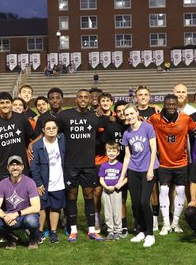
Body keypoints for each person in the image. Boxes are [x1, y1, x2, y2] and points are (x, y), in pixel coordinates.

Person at [149, 94, 196, 234]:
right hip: (164, 163)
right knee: (164, 190)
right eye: (168, 104)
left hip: (181, 163)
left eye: (173, 104)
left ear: (177, 105)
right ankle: (165, 223)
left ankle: (176, 223)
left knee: (181, 191)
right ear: (164, 104)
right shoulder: (155, 118)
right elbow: (144, 123)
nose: (171, 107)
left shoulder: (185, 118)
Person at [58, 88, 102, 241]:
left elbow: (112, 120)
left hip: (88, 164)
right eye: (80, 97)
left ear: (90, 100)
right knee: (72, 196)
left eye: (86, 97)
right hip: (71, 164)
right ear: (76, 99)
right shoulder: (65, 115)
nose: (83, 99)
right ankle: (73, 230)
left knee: (89, 195)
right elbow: (50, 126)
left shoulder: (95, 116)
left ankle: (91, 230)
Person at [117, 102, 158, 246]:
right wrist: (122, 176)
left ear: (136, 114)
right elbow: (127, 156)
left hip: (148, 169)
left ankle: (150, 234)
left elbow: (154, 148)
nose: (129, 117)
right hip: (133, 170)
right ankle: (141, 231)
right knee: (135, 203)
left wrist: (151, 169)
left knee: (144, 201)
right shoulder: (127, 133)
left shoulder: (147, 127)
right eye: (126, 114)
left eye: (131, 113)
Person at [0, 156, 42, 248]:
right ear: (8, 168)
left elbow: (36, 207)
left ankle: (33, 238)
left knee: (32, 221)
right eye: (12, 165)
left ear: (22, 167)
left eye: (18, 164)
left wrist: (17, 214)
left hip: (25, 216)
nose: (15, 167)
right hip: (10, 217)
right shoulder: (2, 184)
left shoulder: (30, 182)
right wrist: (5, 216)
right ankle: (11, 238)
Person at [29, 116, 67, 242]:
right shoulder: (38, 145)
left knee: (55, 207)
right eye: (48, 128)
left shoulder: (62, 140)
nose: (51, 130)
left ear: (57, 129)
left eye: (54, 128)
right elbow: (34, 166)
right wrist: (38, 183)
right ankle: (39, 231)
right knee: (42, 208)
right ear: (43, 130)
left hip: (59, 181)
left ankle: (53, 231)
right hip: (43, 182)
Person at [98, 140, 127, 239]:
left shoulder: (120, 165)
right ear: (106, 152)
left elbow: (126, 177)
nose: (111, 153)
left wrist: (121, 184)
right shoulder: (104, 165)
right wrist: (106, 187)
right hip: (106, 191)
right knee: (107, 211)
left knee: (117, 211)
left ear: (118, 152)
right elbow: (101, 179)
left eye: (114, 151)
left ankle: (118, 230)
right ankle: (110, 230)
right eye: (109, 151)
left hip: (117, 191)